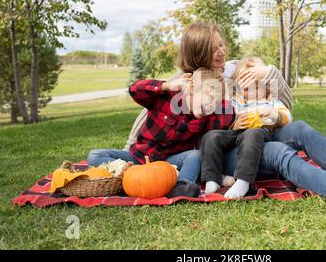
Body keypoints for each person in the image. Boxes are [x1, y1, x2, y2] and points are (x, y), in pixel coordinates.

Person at [125, 22, 326, 219]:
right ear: (198, 52)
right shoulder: (188, 82)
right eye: (214, 47)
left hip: (256, 132)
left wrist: (269, 71)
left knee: (297, 128)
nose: (222, 51)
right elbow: (154, 111)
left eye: (222, 44)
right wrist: (132, 150)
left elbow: (283, 97)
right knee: (279, 154)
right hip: (224, 153)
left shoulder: (233, 70)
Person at [87, 67, 234, 198]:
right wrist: (166, 85)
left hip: (168, 165)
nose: (211, 105)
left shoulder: (206, 117)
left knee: (195, 156)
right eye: (210, 97)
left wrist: (226, 94)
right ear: (192, 88)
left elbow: (224, 123)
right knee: (95, 155)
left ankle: (181, 187)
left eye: (216, 102)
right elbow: (134, 89)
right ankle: (130, 176)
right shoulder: (166, 97)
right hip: (138, 157)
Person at [201, 57, 293, 199]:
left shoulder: (270, 100)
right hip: (236, 132)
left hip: (259, 133)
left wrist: (275, 115)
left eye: (256, 87)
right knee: (211, 136)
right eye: (245, 88)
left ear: (266, 85)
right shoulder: (235, 101)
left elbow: (287, 116)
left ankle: (243, 181)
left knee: (251, 134)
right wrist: (235, 124)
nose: (251, 92)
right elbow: (226, 121)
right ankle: (212, 178)